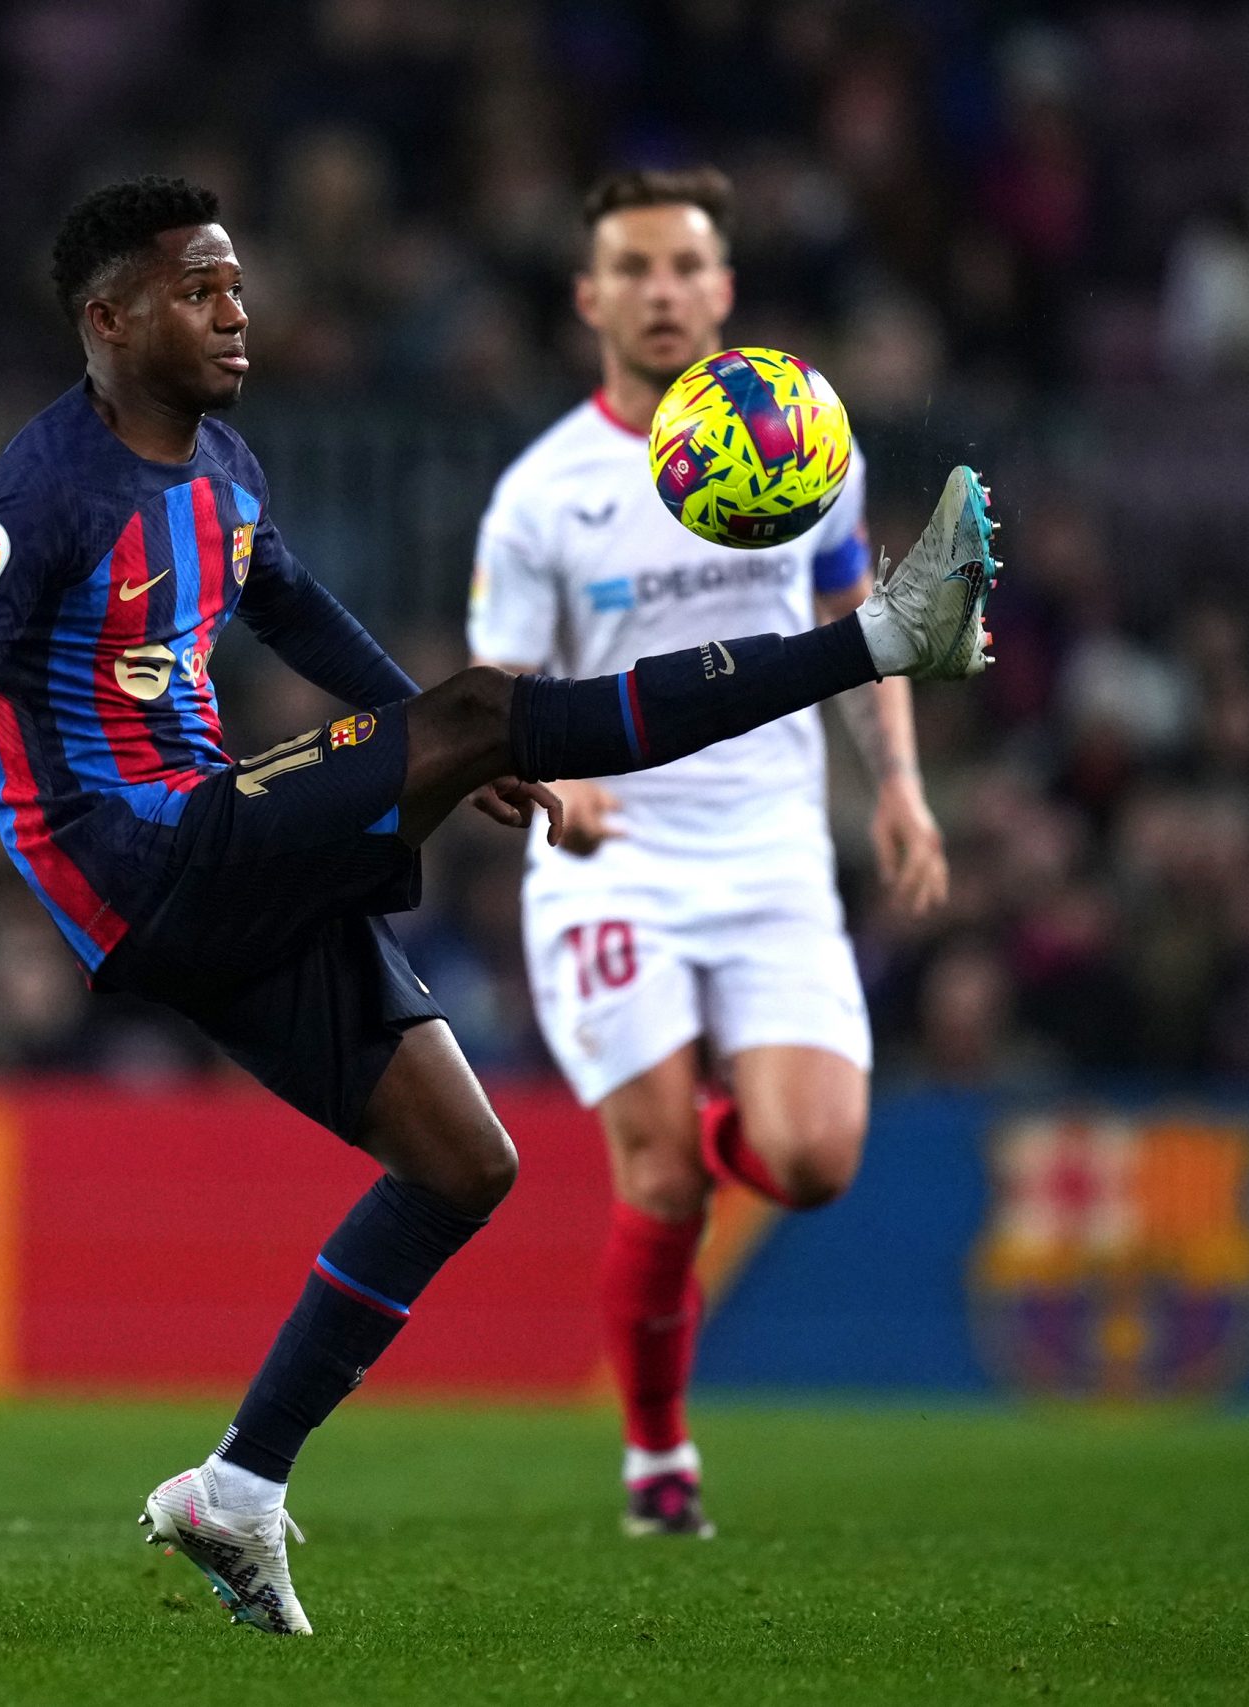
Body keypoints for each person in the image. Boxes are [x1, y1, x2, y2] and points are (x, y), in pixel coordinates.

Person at [0, 175, 996, 1634]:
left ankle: (239, 1488)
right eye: (201, 290)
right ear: (111, 317)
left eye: (236, 285)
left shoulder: (227, 467)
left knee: (465, 1161)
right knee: (487, 707)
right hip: (139, 854)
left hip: (225, 860)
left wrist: (432, 736)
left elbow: (289, 608)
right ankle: (888, 635)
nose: (235, 311)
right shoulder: (40, 491)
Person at [469, 167, 958, 1540]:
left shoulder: (810, 441)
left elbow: (863, 629)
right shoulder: (542, 498)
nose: (662, 289)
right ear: (589, 299)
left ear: (725, 289)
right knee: (664, 1176)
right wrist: (554, 777)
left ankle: (714, 1132)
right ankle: (655, 1455)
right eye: (632, 267)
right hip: (611, 857)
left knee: (812, 1161)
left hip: (771, 854)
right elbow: (494, 695)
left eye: (685, 265)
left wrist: (903, 790)